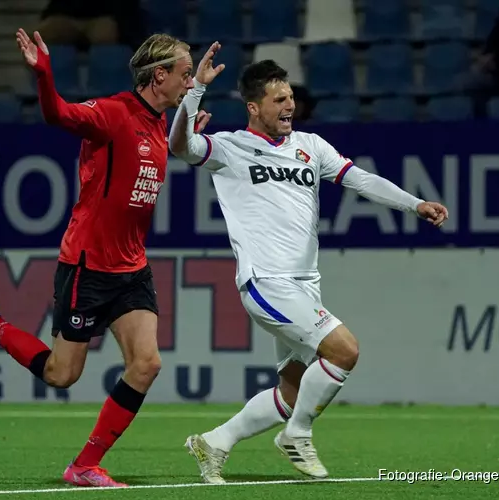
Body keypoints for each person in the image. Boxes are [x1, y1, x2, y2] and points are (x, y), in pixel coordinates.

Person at [0, 29, 211, 488]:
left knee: (146, 365)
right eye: (185, 75)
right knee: (61, 374)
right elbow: (58, 114)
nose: (188, 84)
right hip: (88, 266)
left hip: (132, 268)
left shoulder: (156, 124)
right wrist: (45, 74)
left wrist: (184, 134)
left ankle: (84, 465)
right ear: (158, 76)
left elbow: (143, 159)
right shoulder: (112, 113)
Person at [168, 45, 449, 484]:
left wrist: (414, 205)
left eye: (291, 97)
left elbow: (360, 179)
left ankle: (214, 442)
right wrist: (196, 91)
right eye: (279, 100)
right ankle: (296, 435)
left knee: (293, 390)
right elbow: (180, 145)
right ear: (254, 107)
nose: (290, 106)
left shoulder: (310, 147)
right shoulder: (230, 148)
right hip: (266, 281)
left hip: (305, 285)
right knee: (345, 351)